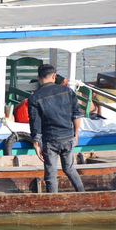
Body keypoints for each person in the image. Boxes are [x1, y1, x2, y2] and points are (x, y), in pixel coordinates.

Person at [28, 63, 85, 193]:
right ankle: (83, 194)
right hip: (68, 137)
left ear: (38, 78)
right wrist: (75, 135)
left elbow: (35, 123)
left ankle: (53, 202)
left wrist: (36, 143)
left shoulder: (34, 98)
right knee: (70, 169)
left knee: (50, 175)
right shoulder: (67, 91)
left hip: (50, 140)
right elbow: (76, 115)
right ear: (54, 76)